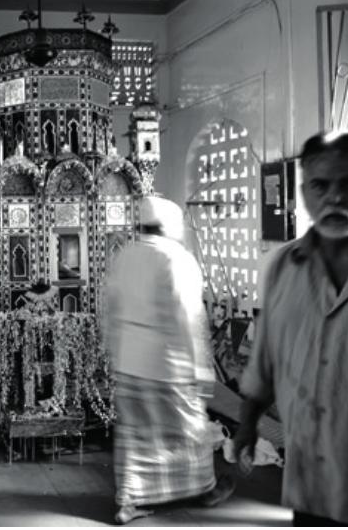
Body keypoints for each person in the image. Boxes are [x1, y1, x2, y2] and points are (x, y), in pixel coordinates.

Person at [233, 131, 348, 526]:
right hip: (311, 486)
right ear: (303, 192)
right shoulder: (285, 267)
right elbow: (265, 361)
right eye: (320, 185)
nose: (334, 198)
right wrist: (247, 425)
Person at [104, 196, 234, 524]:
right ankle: (204, 488)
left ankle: (129, 501)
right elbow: (187, 317)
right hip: (168, 362)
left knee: (136, 437)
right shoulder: (176, 258)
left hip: (129, 361)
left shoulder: (125, 256)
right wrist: (199, 366)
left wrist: (114, 352)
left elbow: (109, 310)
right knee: (189, 427)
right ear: (169, 226)